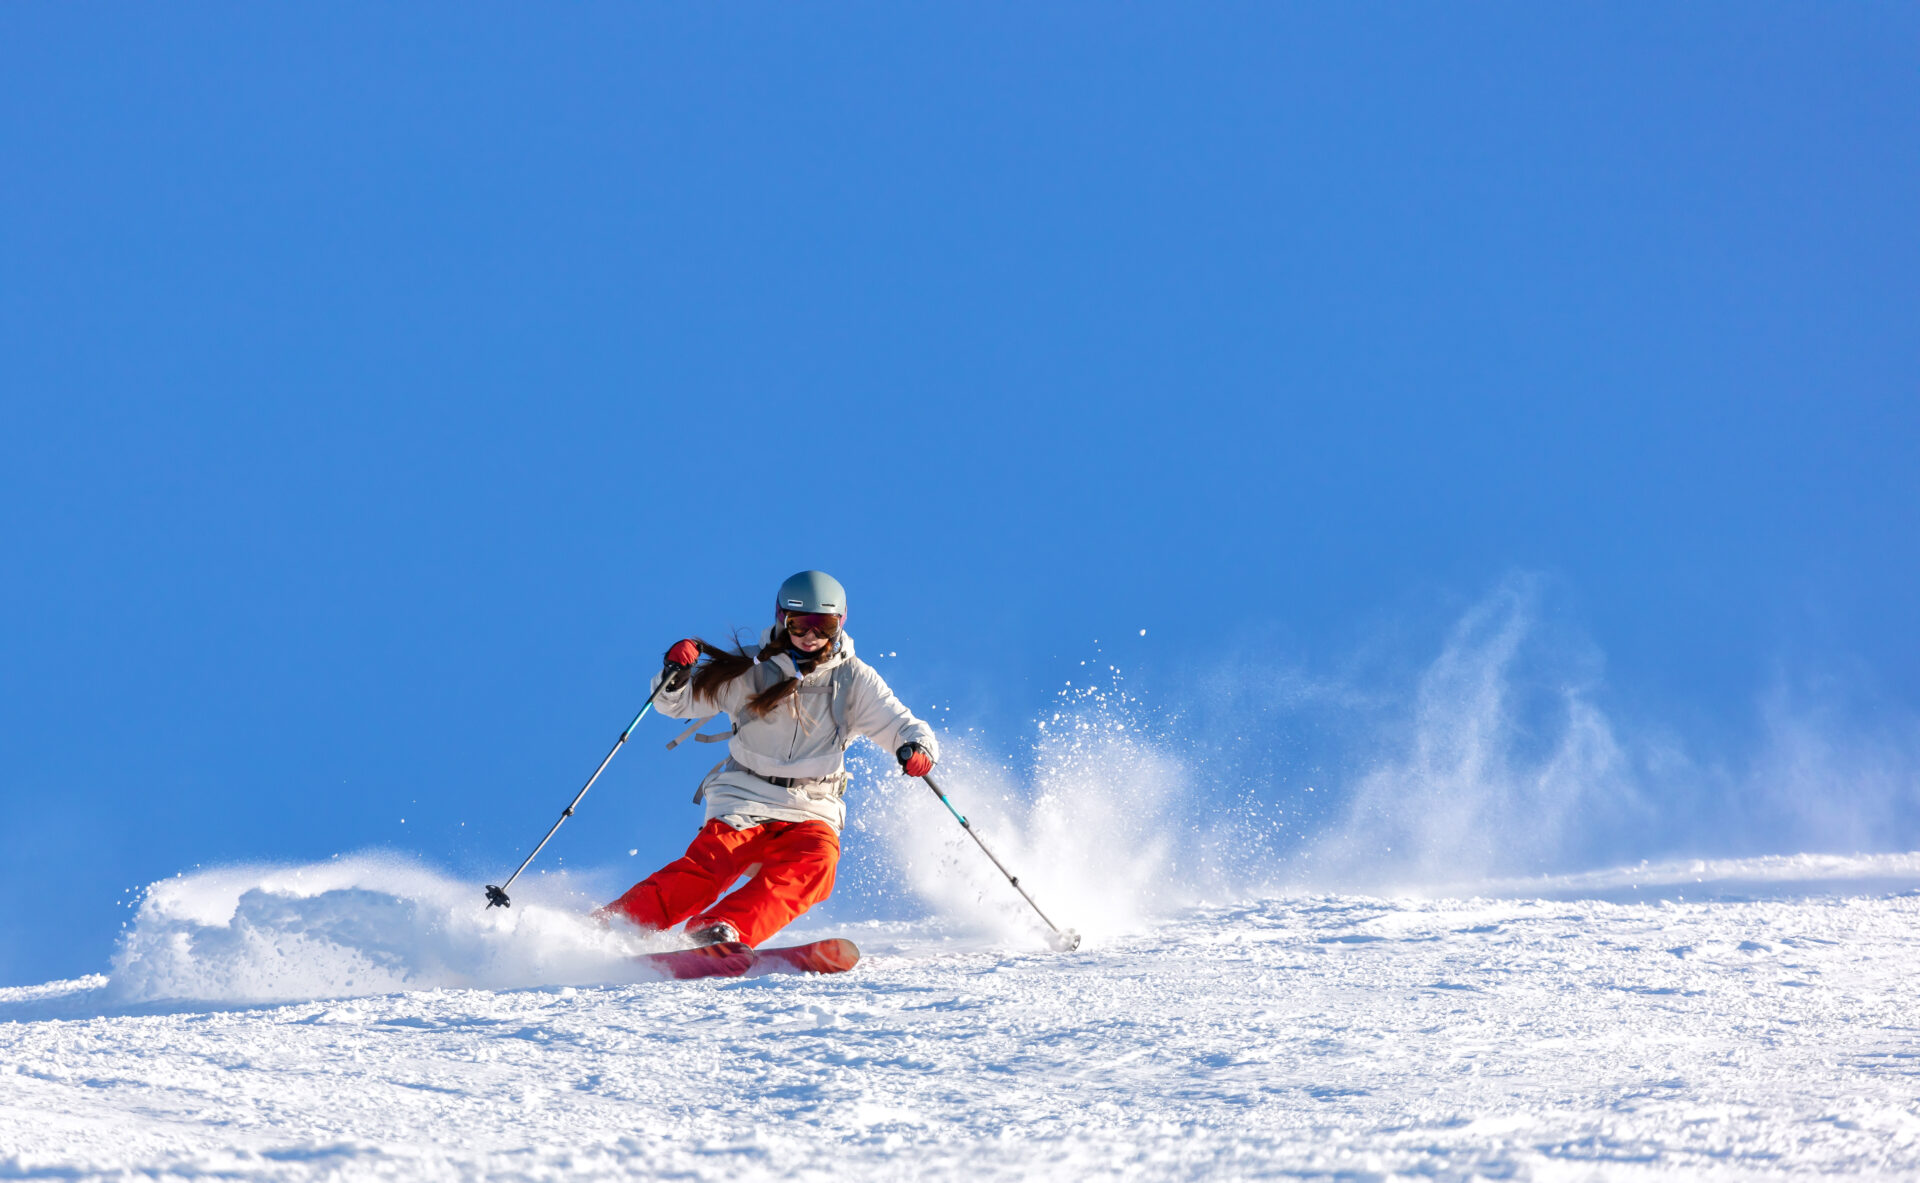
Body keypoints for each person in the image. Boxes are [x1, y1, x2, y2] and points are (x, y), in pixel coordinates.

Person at [598, 570, 938, 948]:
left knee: (817, 866)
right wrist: (675, 674)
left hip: (812, 804)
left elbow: (902, 724)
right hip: (745, 795)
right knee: (709, 867)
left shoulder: (853, 678)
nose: (811, 636)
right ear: (781, 620)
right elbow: (674, 703)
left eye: (823, 625)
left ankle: (721, 929)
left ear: (840, 624)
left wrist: (916, 749)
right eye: (799, 624)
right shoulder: (748, 668)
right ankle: (613, 926)